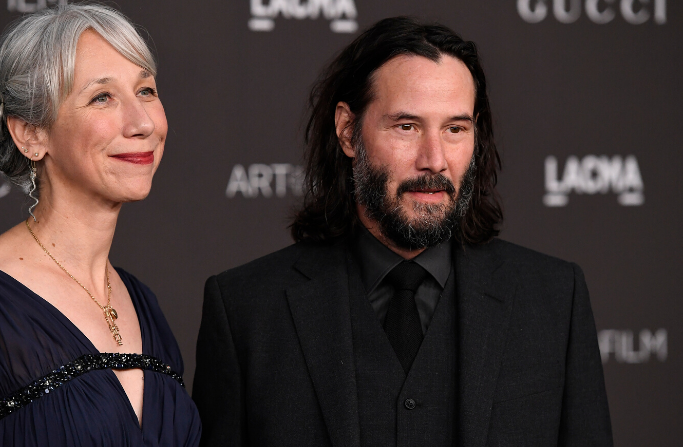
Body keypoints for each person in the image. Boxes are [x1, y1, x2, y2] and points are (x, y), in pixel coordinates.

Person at [192, 17, 612, 447]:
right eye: (406, 126)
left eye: (455, 129)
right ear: (348, 131)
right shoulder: (246, 310)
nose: (434, 160)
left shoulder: (556, 299)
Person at [0, 4, 200, 446]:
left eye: (147, 91)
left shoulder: (143, 304)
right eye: (102, 97)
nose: (143, 123)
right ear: (31, 135)